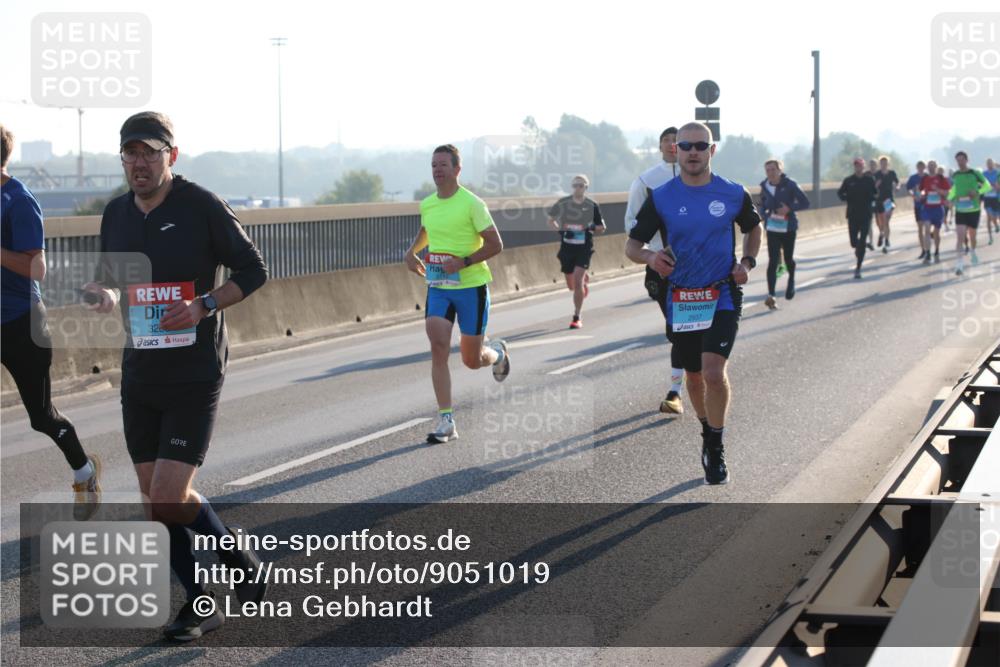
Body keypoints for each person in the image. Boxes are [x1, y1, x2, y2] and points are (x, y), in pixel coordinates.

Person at [82, 111, 270, 641]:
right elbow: (111, 275)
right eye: (130, 154)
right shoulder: (116, 213)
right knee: (152, 500)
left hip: (194, 371)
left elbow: (254, 269)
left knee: (169, 494)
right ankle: (201, 601)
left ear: (172, 156)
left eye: (150, 152)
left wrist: (204, 304)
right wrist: (104, 293)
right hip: (140, 371)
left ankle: (237, 563)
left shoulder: (201, 205)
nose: (139, 163)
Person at [625, 122, 762, 485]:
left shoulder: (732, 193)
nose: (692, 152)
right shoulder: (663, 196)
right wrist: (652, 258)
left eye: (700, 145)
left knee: (715, 372)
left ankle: (715, 446)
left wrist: (746, 263)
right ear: (676, 151)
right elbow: (631, 245)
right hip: (681, 297)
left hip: (721, 294)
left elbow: (754, 227)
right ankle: (706, 429)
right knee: (695, 376)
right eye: (685, 145)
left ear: (712, 150)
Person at [1, 123, 102, 521]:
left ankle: (84, 471)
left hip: (20, 323)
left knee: (41, 416)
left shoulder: (18, 200)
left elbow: (36, 267)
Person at [405, 144, 510, 444]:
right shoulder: (428, 204)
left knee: (472, 360)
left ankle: (499, 353)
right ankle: (446, 420)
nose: (437, 170)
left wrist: (462, 262)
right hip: (439, 286)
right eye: (433, 165)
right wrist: (411, 252)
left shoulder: (472, 204)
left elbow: (495, 244)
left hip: (471, 287)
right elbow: (427, 230)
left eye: (443, 165)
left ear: (457, 169)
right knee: (438, 345)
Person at [624, 126, 686, 414]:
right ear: (661, 146)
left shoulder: (704, 179)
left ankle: (686, 384)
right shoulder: (646, 181)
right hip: (664, 267)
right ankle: (676, 390)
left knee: (699, 331)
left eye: (679, 141)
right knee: (677, 328)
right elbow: (632, 227)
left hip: (703, 266)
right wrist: (652, 254)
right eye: (668, 141)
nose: (673, 145)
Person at [547, 174, 605, 329]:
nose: (578, 188)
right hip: (567, 247)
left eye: (581, 185)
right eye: (575, 185)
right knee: (571, 286)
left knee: (577, 282)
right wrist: (560, 230)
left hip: (584, 248)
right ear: (571, 187)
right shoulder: (563, 203)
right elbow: (550, 219)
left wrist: (589, 228)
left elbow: (602, 227)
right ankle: (581, 282)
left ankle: (577, 316)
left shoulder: (592, 205)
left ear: (586, 187)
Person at [758, 159, 810, 310]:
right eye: (767, 170)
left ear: (780, 170)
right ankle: (771, 295)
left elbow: (805, 202)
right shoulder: (764, 186)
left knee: (788, 258)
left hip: (788, 227)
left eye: (773, 169)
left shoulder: (790, 184)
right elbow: (760, 203)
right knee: (773, 260)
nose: (770, 173)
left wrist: (789, 208)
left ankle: (791, 280)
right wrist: (764, 214)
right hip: (773, 228)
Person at [947, 150, 992, 275]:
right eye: (958, 160)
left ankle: (972, 251)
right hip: (960, 210)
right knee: (960, 236)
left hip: (974, 209)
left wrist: (977, 192)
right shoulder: (955, 175)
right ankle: (959, 264)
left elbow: (987, 186)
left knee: (972, 236)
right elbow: (954, 189)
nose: (960, 162)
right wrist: (949, 199)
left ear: (967, 160)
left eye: (962, 160)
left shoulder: (975, 173)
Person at [837, 158, 878, 279]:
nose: (858, 168)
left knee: (862, 240)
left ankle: (858, 268)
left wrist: (873, 199)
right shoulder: (849, 181)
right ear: (854, 167)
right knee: (854, 242)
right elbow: (840, 193)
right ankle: (861, 246)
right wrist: (846, 198)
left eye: (860, 166)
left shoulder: (869, 180)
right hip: (852, 215)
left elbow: (875, 194)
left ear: (863, 167)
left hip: (865, 215)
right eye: (856, 166)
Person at [919, 160, 950, 263]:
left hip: (938, 208)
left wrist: (937, 190)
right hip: (927, 208)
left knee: (936, 233)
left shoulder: (941, 178)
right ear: (927, 168)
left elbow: (947, 192)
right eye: (929, 166)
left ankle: (936, 251)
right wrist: (922, 194)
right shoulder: (925, 178)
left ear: (936, 167)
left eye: (933, 165)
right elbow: (921, 190)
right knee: (926, 229)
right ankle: (928, 253)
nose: (931, 167)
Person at [873, 156, 899, 253]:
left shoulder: (892, 173)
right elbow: (873, 187)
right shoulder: (877, 174)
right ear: (880, 164)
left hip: (889, 200)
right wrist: (877, 185)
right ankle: (881, 233)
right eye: (882, 163)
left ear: (888, 164)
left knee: (886, 220)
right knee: (880, 221)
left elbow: (897, 182)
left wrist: (897, 187)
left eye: (885, 163)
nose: (883, 164)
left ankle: (887, 240)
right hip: (879, 200)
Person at [906, 161, 929, 261]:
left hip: (928, 205)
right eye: (919, 166)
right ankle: (923, 249)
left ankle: (927, 248)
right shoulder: (913, 178)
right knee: (920, 228)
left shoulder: (928, 177)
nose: (920, 168)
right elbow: (908, 188)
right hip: (918, 205)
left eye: (922, 166)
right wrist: (912, 194)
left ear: (924, 167)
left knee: (927, 227)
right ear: (917, 167)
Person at [982, 157, 999, 240]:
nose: (989, 165)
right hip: (987, 197)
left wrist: (997, 186)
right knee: (989, 216)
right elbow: (980, 184)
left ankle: (996, 224)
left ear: (993, 164)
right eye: (988, 163)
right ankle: (990, 237)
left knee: (995, 216)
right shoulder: (983, 173)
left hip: (996, 197)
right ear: (986, 164)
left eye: (991, 163)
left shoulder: (997, 173)